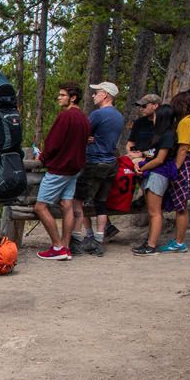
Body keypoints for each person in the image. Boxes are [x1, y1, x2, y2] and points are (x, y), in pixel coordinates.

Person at [33, 83, 91, 260]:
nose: (59, 98)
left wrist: (42, 158)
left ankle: (57, 246)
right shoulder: (83, 119)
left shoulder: (66, 117)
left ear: (72, 98)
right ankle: (65, 246)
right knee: (67, 205)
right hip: (74, 169)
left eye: (62, 95)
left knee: (40, 207)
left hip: (59, 168)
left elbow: (53, 143)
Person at [71, 81, 125, 256]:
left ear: (106, 95)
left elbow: (80, 133)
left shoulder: (98, 115)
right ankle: (99, 239)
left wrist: (88, 138)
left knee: (79, 200)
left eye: (97, 92)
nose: (94, 95)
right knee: (101, 202)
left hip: (94, 161)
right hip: (110, 162)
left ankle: (79, 239)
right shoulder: (118, 116)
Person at [159, 91, 190, 253]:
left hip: (185, 163)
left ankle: (179, 242)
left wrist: (175, 169)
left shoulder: (185, 122)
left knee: (181, 207)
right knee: (182, 205)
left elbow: (183, 148)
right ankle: (179, 240)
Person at [131, 104, 178, 256]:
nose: (153, 117)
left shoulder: (168, 135)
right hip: (152, 173)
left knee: (155, 212)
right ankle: (149, 241)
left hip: (159, 174)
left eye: (156, 115)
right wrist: (141, 156)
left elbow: (160, 160)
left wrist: (142, 168)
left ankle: (151, 245)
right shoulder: (160, 134)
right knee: (151, 211)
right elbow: (153, 154)